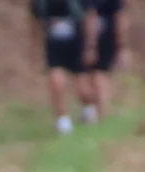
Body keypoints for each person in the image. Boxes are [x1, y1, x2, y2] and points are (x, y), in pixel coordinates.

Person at [30, 0, 98, 133]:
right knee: (56, 82)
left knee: (82, 88)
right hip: (54, 47)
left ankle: (89, 108)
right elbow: (35, 23)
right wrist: (35, 49)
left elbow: (90, 17)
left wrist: (91, 46)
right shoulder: (41, 3)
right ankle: (63, 120)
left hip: (76, 45)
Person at [84, 0, 130, 121]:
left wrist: (91, 45)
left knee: (98, 75)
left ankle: (101, 113)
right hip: (96, 37)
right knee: (93, 76)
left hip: (101, 38)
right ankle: (96, 111)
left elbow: (120, 19)